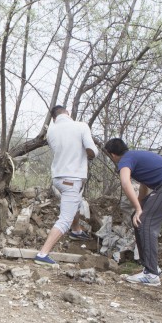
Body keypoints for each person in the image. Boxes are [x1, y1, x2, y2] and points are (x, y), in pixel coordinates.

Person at [103, 138, 162, 286]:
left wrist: (138, 209)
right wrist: (140, 205)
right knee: (138, 218)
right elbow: (144, 186)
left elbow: (125, 182)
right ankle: (150, 267)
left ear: (113, 155)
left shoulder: (125, 160)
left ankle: (151, 274)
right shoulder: (136, 156)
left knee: (144, 220)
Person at [32, 105, 98, 265]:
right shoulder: (81, 126)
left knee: (75, 200)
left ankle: (76, 230)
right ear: (67, 113)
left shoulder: (51, 131)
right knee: (65, 219)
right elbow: (92, 150)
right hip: (72, 178)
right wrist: (87, 155)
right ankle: (43, 254)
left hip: (58, 177)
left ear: (54, 118)